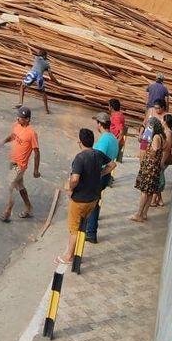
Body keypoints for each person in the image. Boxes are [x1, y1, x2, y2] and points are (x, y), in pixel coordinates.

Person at [56, 128, 111, 263]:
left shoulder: (80, 158)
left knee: (74, 229)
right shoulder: (98, 154)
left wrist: (70, 188)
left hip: (79, 199)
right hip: (93, 198)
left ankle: (69, 256)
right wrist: (100, 174)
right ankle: (77, 252)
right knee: (82, 226)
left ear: (80, 142)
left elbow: (74, 179)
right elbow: (112, 164)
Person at [84, 113, 121, 243]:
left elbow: (96, 159)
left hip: (100, 174)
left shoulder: (104, 140)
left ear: (100, 124)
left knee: (92, 203)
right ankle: (92, 223)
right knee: (97, 200)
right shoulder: (113, 138)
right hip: (107, 175)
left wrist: (95, 175)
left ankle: (91, 232)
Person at [0, 106, 40, 222]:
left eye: (21, 117)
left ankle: (7, 211)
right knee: (20, 186)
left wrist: (36, 170)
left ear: (27, 119)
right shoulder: (17, 125)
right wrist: (4, 141)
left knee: (10, 185)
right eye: (18, 116)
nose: (18, 118)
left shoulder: (32, 133)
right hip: (13, 162)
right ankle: (29, 207)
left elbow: (37, 152)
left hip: (20, 165)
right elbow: (13, 136)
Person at [131, 117, 165, 223]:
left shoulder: (155, 137)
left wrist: (148, 153)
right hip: (155, 168)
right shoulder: (161, 136)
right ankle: (144, 213)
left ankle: (139, 214)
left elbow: (154, 151)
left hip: (150, 168)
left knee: (145, 192)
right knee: (150, 192)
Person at [15, 48, 59, 113]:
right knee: (43, 93)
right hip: (39, 76)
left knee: (22, 86)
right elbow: (51, 76)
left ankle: (20, 102)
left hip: (32, 73)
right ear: (44, 56)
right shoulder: (47, 64)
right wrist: (58, 83)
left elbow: (33, 53)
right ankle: (46, 110)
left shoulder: (36, 58)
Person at [153, 113, 172, 208]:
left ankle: (154, 200)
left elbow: (167, 150)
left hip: (164, 158)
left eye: (163, 120)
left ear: (165, 122)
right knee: (158, 178)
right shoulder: (166, 131)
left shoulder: (168, 133)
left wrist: (162, 162)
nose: (161, 121)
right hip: (162, 157)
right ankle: (160, 200)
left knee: (158, 179)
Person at [109, 98, 126, 164]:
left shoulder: (116, 117)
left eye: (109, 105)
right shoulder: (120, 114)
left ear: (111, 107)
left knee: (109, 161)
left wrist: (116, 143)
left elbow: (121, 131)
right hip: (115, 140)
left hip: (115, 140)